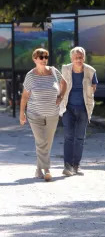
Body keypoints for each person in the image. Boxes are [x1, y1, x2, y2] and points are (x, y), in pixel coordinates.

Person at [20, 48, 67, 182]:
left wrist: (61, 96)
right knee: (41, 141)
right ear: (34, 59)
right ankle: (46, 169)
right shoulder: (30, 75)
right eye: (41, 57)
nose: (44, 59)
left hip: (52, 114)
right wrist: (22, 113)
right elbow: (25, 96)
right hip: (35, 114)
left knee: (47, 142)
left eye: (46, 57)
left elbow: (65, 83)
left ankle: (38, 169)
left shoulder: (53, 71)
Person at [59, 47, 98, 176]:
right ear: (71, 58)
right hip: (68, 108)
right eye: (76, 57)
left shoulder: (91, 71)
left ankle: (76, 165)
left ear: (84, 58)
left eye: (81, 57)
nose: (78, 60)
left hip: (84, 109)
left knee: (80, 138)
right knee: (69, 137)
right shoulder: (65, 69)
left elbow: (93, 88)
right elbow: (61, 85)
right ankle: (68, 166)